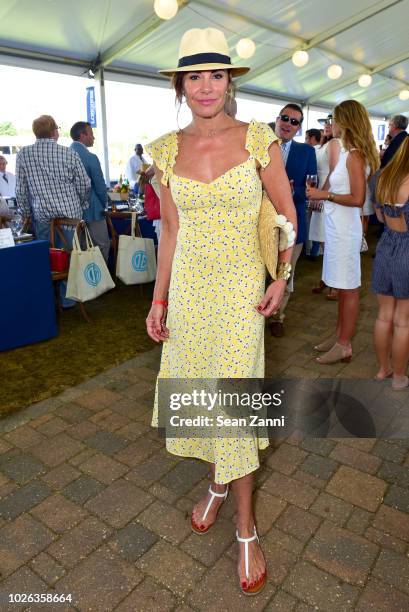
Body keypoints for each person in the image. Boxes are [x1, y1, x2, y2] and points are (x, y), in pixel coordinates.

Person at [145, 27, 296, 596]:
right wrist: (158, 298)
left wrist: (282, 278)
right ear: (180, 85)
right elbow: (169, 234)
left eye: (216, 74)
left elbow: (286, 217)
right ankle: (214, 483)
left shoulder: (261, 140)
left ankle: (246, 526)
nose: (205, 86)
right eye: (194, 76)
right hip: (187, 294)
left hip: (238, 296)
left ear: (229, 81)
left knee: (233, 406)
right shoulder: (165, 149)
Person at [307, 99, 379, 364]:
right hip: (338, 229)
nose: (330, 125)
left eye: (334, 120)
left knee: (348, 288)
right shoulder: (350, 152)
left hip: (346, 230)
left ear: (346, 122)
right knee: (340, 284)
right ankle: (338, 336)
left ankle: (344, 344)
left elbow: (358, 199)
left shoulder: (355, 154)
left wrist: (323, 195)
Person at [16, 115, 90, 307]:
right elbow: (84, 183)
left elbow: (21, 189)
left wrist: (25, 213)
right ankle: (69, 300)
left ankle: (51, 300)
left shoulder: (23, 154)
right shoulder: (68, 153)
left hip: (43, 218)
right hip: (70, 217)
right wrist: (81, 204)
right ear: (54, 132)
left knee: (48, 261)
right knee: (71, 257)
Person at [270, 103, 317, 337]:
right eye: (285, 118)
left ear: (299, 128)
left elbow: (310, 187)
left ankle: (277, 316)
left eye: (294, 121)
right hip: (260, 223)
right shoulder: (259, 147)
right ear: (277, 119)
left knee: (285, 272)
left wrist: (290, 192)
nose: (288, 124)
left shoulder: (307, 152)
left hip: (293, 224)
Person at [372, 137, 409, 389]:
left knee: (384, 316)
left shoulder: (383, 177)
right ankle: (398, 377)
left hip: (386, 245)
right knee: (403, 320)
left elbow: (379, 216)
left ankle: (382, 369)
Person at [309, 120, 341, 300]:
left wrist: (322, 193)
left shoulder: (335, 145)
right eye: (325, 123)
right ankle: (327, 279)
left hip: (326, 192)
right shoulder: (325, 144)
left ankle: (334, 284)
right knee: (323, 241)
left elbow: (333, 171)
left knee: (328, 243)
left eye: (331, 123)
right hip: (319, 190)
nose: (328, 125)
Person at [70, 121, 110, 261]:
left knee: (80, 248)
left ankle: (85, 280)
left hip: (71, 212)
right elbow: (100, 186)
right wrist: (104, 204)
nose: (94, 138)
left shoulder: (65, 155)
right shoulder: (90, 157)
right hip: (93, 209)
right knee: (102, 244)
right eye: (91, 134)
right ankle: (101, 280)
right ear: (82, 135)